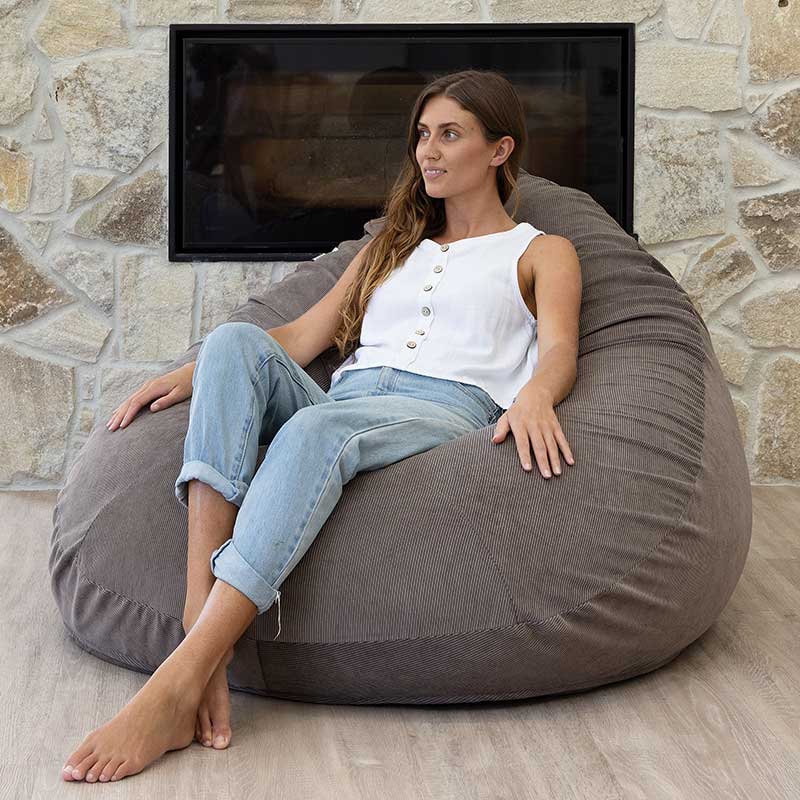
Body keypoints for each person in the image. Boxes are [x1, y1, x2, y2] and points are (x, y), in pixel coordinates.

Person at [61, 68, 581, 783]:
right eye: (422, 135)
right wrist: (198, 371)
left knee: (311, 434)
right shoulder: (393, 244)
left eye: (450, 134)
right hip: (346, 399)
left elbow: (559, 350)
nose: (428, 151)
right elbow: (303, 337)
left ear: (499, 149)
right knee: (232, 342)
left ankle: (180, 676)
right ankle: (197, 615)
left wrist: (537, 397)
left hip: (441, 409)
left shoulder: (541, 251)